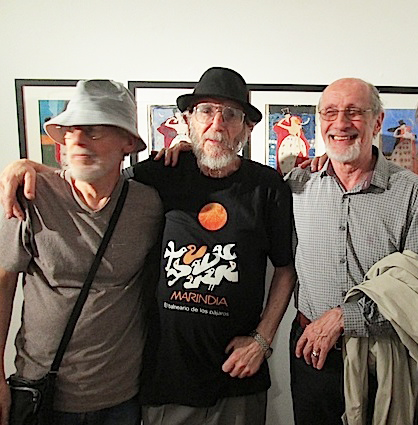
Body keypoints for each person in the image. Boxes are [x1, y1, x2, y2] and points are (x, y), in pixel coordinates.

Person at [0, 67, 296, 425]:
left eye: (231, 115)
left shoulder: (268, 187)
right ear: (187, 121)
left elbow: (285, 269)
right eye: (206, 111)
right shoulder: (157, 175)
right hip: (162, 378)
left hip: (235, 376)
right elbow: (94, 177)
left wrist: (262, 341)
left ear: (247, 129)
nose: (217, 124)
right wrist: (29, 168)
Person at [0, 80, 163, 425]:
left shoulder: (148, 204)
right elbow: (2, 283)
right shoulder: (30, 195)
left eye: (93, 131)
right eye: (71, 131)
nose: (77, 141)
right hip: (42, 394)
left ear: (128, 142)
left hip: (121, 398)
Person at [286, 78, 418, 425]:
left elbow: (416, 286)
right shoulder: (298, 185)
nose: (341, 123)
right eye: (330, 112)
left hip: (384, 358)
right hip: (310, 352)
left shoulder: (411, 192)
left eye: (354, 112)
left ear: (377, 122)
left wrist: (347, 316)